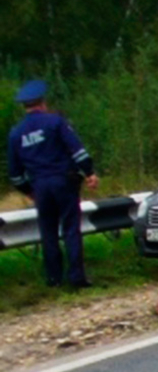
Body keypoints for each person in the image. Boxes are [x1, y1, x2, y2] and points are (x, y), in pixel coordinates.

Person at [6, 80, 99, 288]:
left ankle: (53, 279)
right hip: (64, 181)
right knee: (70, 229)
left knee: (48, 233)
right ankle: (77, 278)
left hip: (40, 186)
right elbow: (77, 150)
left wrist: (28, 190)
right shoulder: (55, 122)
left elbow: (14, 172)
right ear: (43, 102)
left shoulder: (15, 133)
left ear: (25, 106)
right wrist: (89, 172)